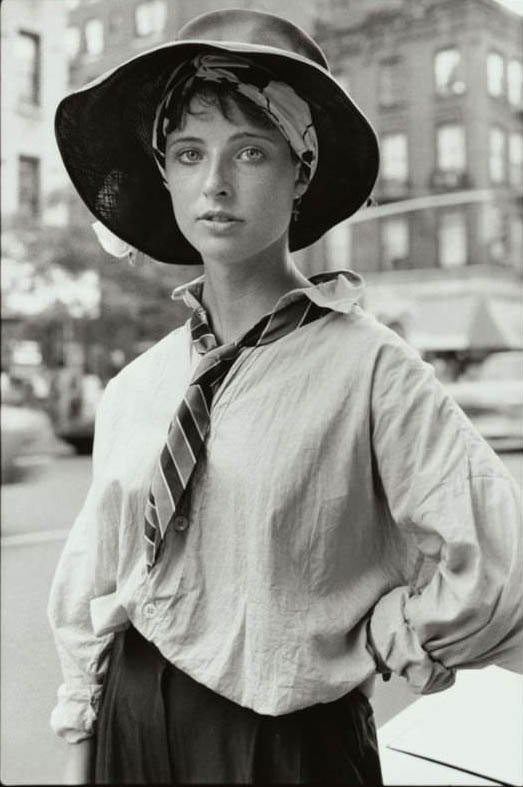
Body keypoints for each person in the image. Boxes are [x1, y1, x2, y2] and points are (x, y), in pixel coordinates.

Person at [48, 9, 522, 785]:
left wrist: (389, 631)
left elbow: (500, 566)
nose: (216, 183)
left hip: (283, 748)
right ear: (163, 171)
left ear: (299, 170)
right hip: (125, 732)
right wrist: (82, 748)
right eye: (189, 152)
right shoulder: (139, 387)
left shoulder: (371, 369)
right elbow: (96, 582)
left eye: (251, 151)